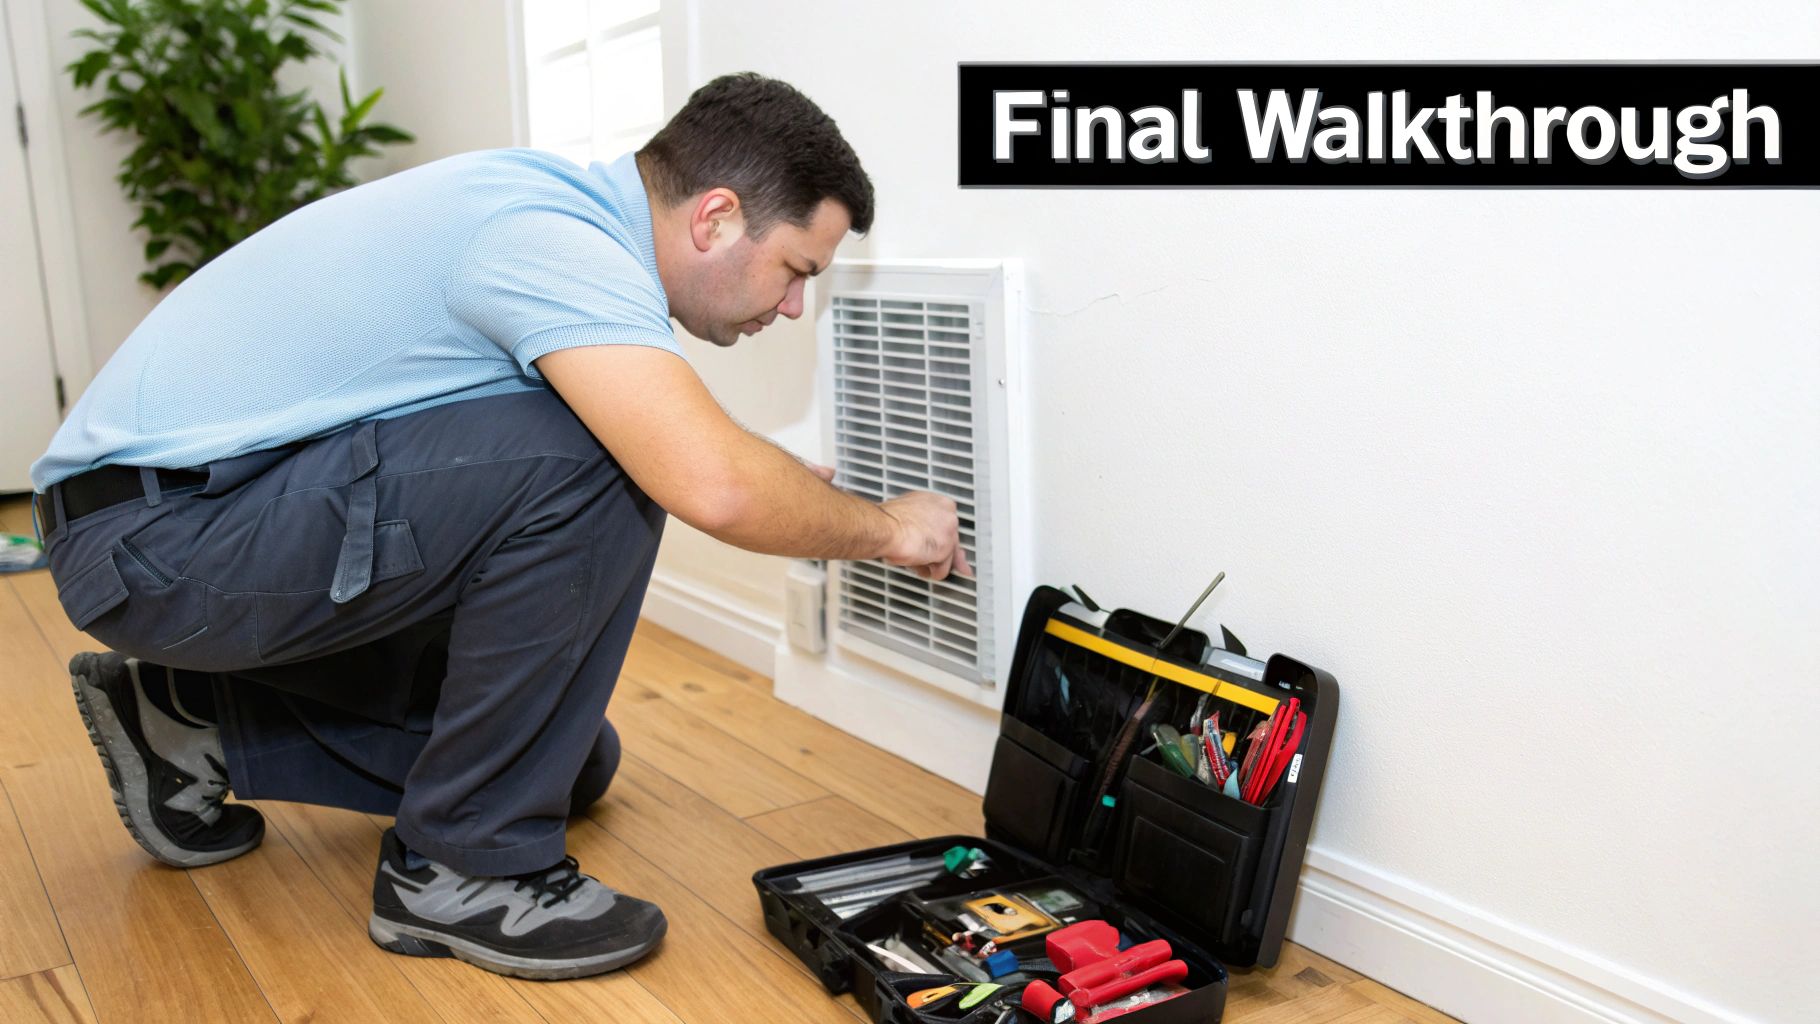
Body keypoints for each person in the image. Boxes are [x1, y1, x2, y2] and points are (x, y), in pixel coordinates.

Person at [29, 72, 969, 981]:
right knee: (601, 460)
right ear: (717, 217)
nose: (794, 304)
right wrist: (891, 530)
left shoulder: (551, 215)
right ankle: (465, 871)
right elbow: (709, 486)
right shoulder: (548, 240)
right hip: (156, 544)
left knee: (574, 767)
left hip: (188, 523)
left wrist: (732, 461)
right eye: (796, 269)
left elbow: (671, 448)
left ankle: (190, 723)